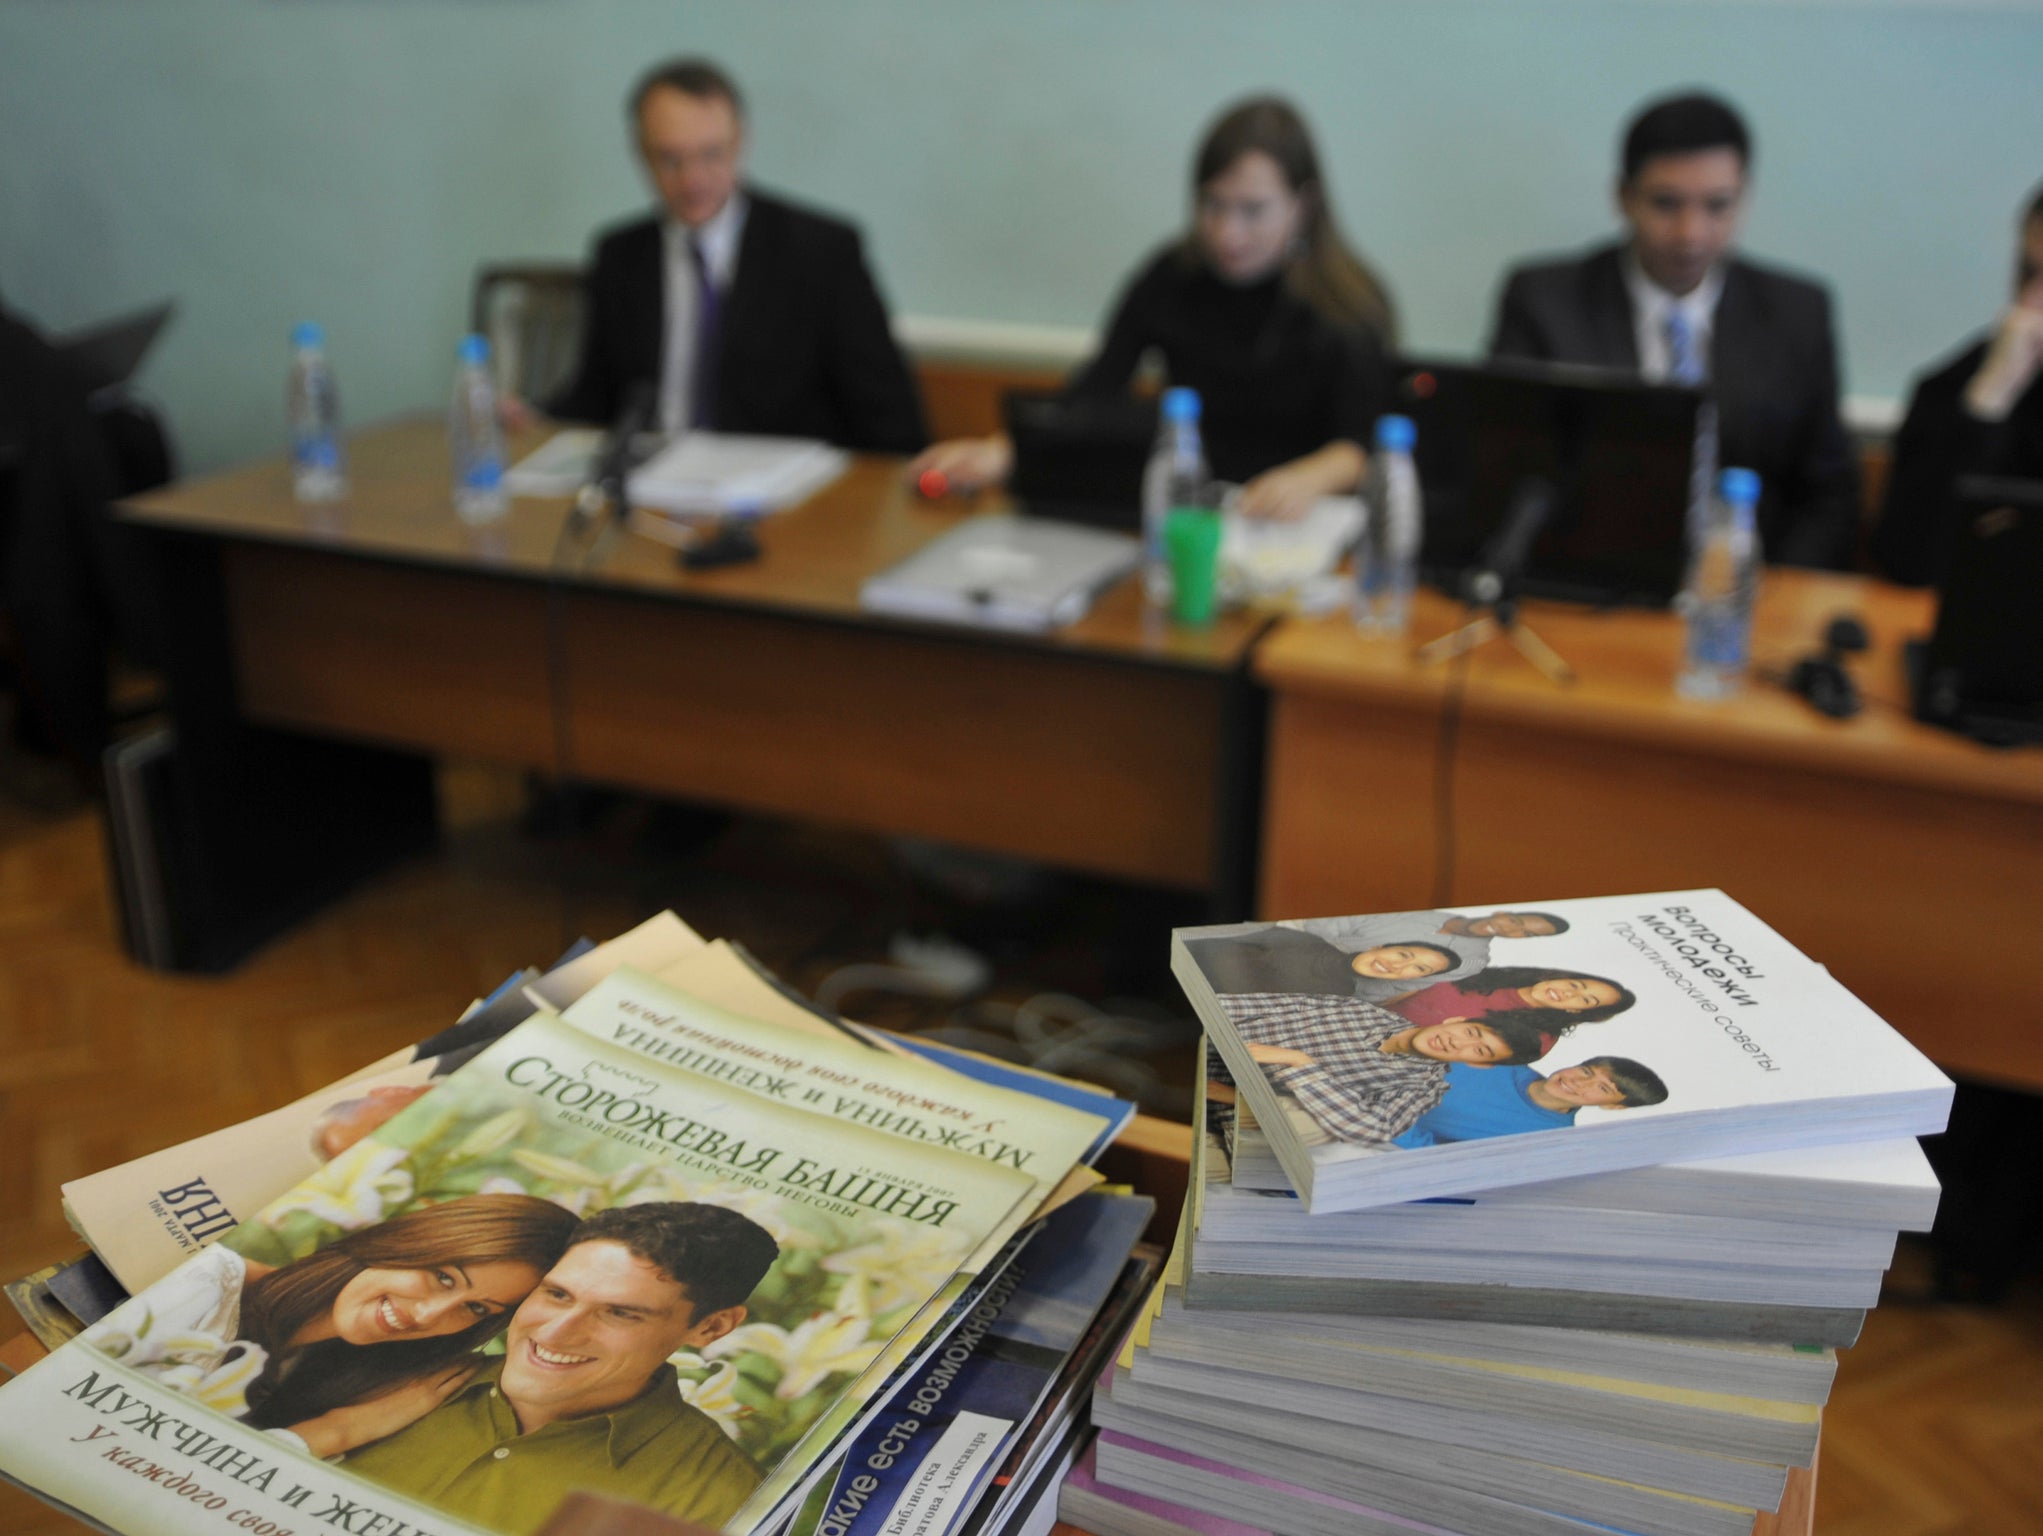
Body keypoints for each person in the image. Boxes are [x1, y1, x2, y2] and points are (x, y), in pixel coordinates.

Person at [908, 96, 1395, 519]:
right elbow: (1096, 390)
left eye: (1252, 209)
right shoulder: (1173, 275)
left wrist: (1309, 478)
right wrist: (1007, 450)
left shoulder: (1347, 304)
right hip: (1190, 514)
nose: (1228, 233)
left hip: (1301, 526)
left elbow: (1364, 445)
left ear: (1302, 204)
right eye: (1213, 205)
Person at [1488, 92, 1859, 569]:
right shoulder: (1544, 302)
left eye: (1717, 206)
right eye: (1666, 204)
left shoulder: (1796, 313)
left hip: (1745, 590)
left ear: (1743, 196)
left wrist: (1770, 592)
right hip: (1586, 578)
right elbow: (1505, 473)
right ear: (1623, 197)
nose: (1691, 233)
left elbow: (1829, 495)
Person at [549, 58, 926, 453]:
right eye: (670, 159)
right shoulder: (620, 255)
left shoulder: (820, 253)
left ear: (741, 142)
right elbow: (594, 402)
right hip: (652, 485)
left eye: (711, 154)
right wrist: (532, 418)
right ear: (641, 153)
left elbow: (893, 425)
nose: (692, 179)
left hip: (782, 493)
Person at [339, 1201, 780, 1536]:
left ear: (712, 1327)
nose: (554, 1333)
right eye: (557, 1295)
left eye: (620, 1313)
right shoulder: (384, 1375)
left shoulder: (720, 1502)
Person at [82, 1193, 578, 1453]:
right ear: (409, 1239)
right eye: (443, 1277)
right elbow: (115, 1446)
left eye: (475, 1309)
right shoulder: (207, 1284)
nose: (429, 1316)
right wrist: (339, 1432)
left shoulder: (332, 1375)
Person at [1873, 182, 2043, 586]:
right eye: (2030, 272)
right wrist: (1988, 404)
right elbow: (1906, 563)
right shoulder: (1957, 386)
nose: (2036, 300)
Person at [1210, 990, 1564, 1147]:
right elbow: (1237, 1005)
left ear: (1478, 1064)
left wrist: (1300, 1064)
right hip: (1200, 1046)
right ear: (1456, 1018)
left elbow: (1369, 1129)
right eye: (1471, 1032)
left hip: (1217, 1109)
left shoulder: (1422, 1089)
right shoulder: (1360, 1011)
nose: (1460, 1043)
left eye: (1479, 1050)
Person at [1393, 1055, 1669, 1147]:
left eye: (1601, 1088)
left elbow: (1442, 1165)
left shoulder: (1546, 1141)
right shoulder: (1496, 1061)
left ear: (1613, 1106)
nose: (1578, 1082)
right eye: (1586, 1072)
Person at [1278, 907, 1569, 987]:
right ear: (1502, 913)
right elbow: (1344, 918)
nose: (1513, 930)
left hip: (1325, 975)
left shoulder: (1472, 961)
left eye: (1526, 934)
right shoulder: (1436, 910)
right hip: (1300, 928)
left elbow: (1392, 986)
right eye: (1517, 921)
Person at [1187, 925, 1459, 1002]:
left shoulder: (1341, 997)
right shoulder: (1306, 939)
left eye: (1420, 969)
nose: (1399, 966)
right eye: (1403, 955)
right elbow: (1209, 939)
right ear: (1380, 947)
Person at [1386, 965, 1637, 1032]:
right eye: (1576, 984)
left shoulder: (1537, 1038)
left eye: (1585, 1001)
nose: (1569, 993)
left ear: (1577, 1013)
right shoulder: (1489, 973)